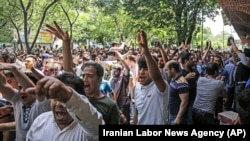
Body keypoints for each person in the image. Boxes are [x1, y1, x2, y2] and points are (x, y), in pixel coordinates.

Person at [26, 72, 104, 141]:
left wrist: (69, 95)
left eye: (64, 100)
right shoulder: (40, 121)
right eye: (55, 98)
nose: (58, 104)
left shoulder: (88, 129)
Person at [0, 63, 51, 141]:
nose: (22, 91)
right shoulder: (17, 100)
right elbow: (2, 85)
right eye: (20, 88)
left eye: (24, 88)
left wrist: (13, 69)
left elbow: (30, 88)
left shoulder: (44, 104)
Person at [132, 30, 168, 125]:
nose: (141, 72)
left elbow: (156, 76)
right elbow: (137, 112)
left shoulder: (161, 87)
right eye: (140, 68)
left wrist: (147, 53)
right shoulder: (137, 87)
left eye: (146, 69)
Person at [165, 60, 189, 125]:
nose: (166, 72)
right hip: (172, 114)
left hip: (176, 117)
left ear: (172, 69)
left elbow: (184, 101)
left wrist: (178, 117)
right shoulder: (174, 80)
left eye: (167, 70)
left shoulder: (182, 83)